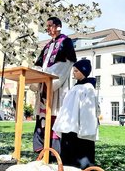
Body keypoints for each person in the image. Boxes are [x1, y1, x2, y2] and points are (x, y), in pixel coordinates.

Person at [32, 16, 77, 155]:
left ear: (58, 26)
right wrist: (38, 75)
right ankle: (41, 148)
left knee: (54, 115)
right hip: (44, 84)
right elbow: (39, 64)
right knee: (43, 116)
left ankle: (54, 151)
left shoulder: (66, 42)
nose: (47, 29)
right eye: (46, 26)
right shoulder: (47, 45)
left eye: (50, 26)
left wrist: (48, 75)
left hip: (57, 86)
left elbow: (66, 64)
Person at [53, 59, 99, 169]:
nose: (73, 72)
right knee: (68, 159)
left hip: (80, 131)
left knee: (81, 157)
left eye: (76, 71)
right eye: (74, 70)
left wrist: (85, 130)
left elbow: (88, 111)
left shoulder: (88, 88)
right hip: (69, 128)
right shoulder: (75, 87)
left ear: (83, 71)